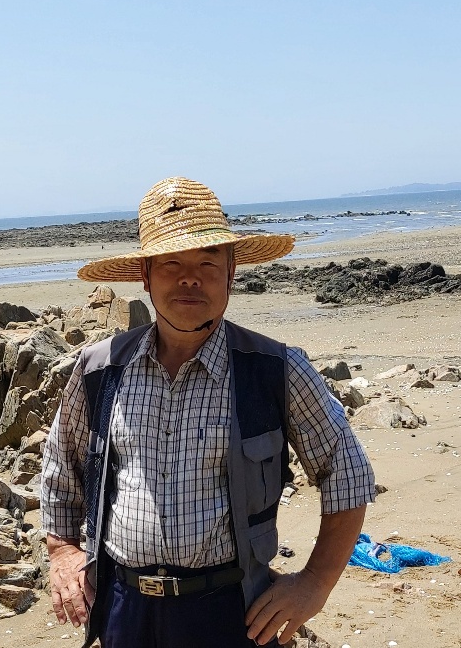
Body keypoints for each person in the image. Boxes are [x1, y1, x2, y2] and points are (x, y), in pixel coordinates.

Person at [42, 177, 374, 648]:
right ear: (145, 276)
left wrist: (315, 583)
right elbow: (62, 467)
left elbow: (348, 473)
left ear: (231, 272)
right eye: (171, 263)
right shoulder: (100, 368)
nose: (190, 278)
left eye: (206, 262)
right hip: (122, 608)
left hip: (233, 613)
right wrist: (62, 552)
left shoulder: (275, 369)